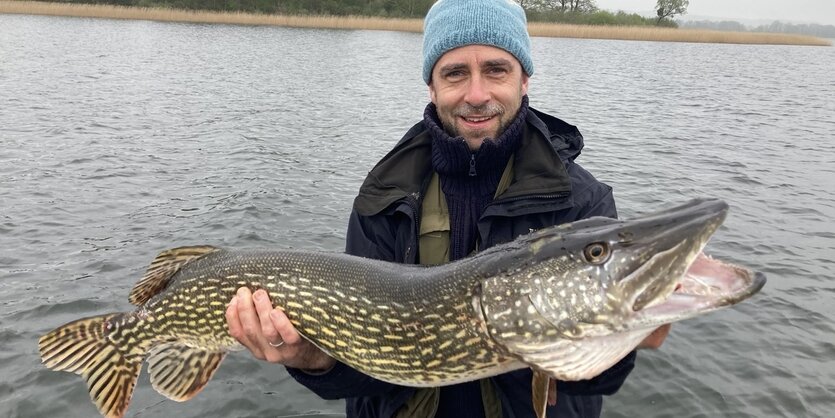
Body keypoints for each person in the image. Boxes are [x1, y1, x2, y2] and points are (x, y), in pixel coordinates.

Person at [226, 0, 671, 416]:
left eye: (496, 69)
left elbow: (591, 386)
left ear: (524, 78)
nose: (476, 94)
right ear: (433, 86)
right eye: (456, 73)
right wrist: (310, 358)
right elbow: (366, 372)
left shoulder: (581, 200)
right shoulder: (385, 196)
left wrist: (614, 342)